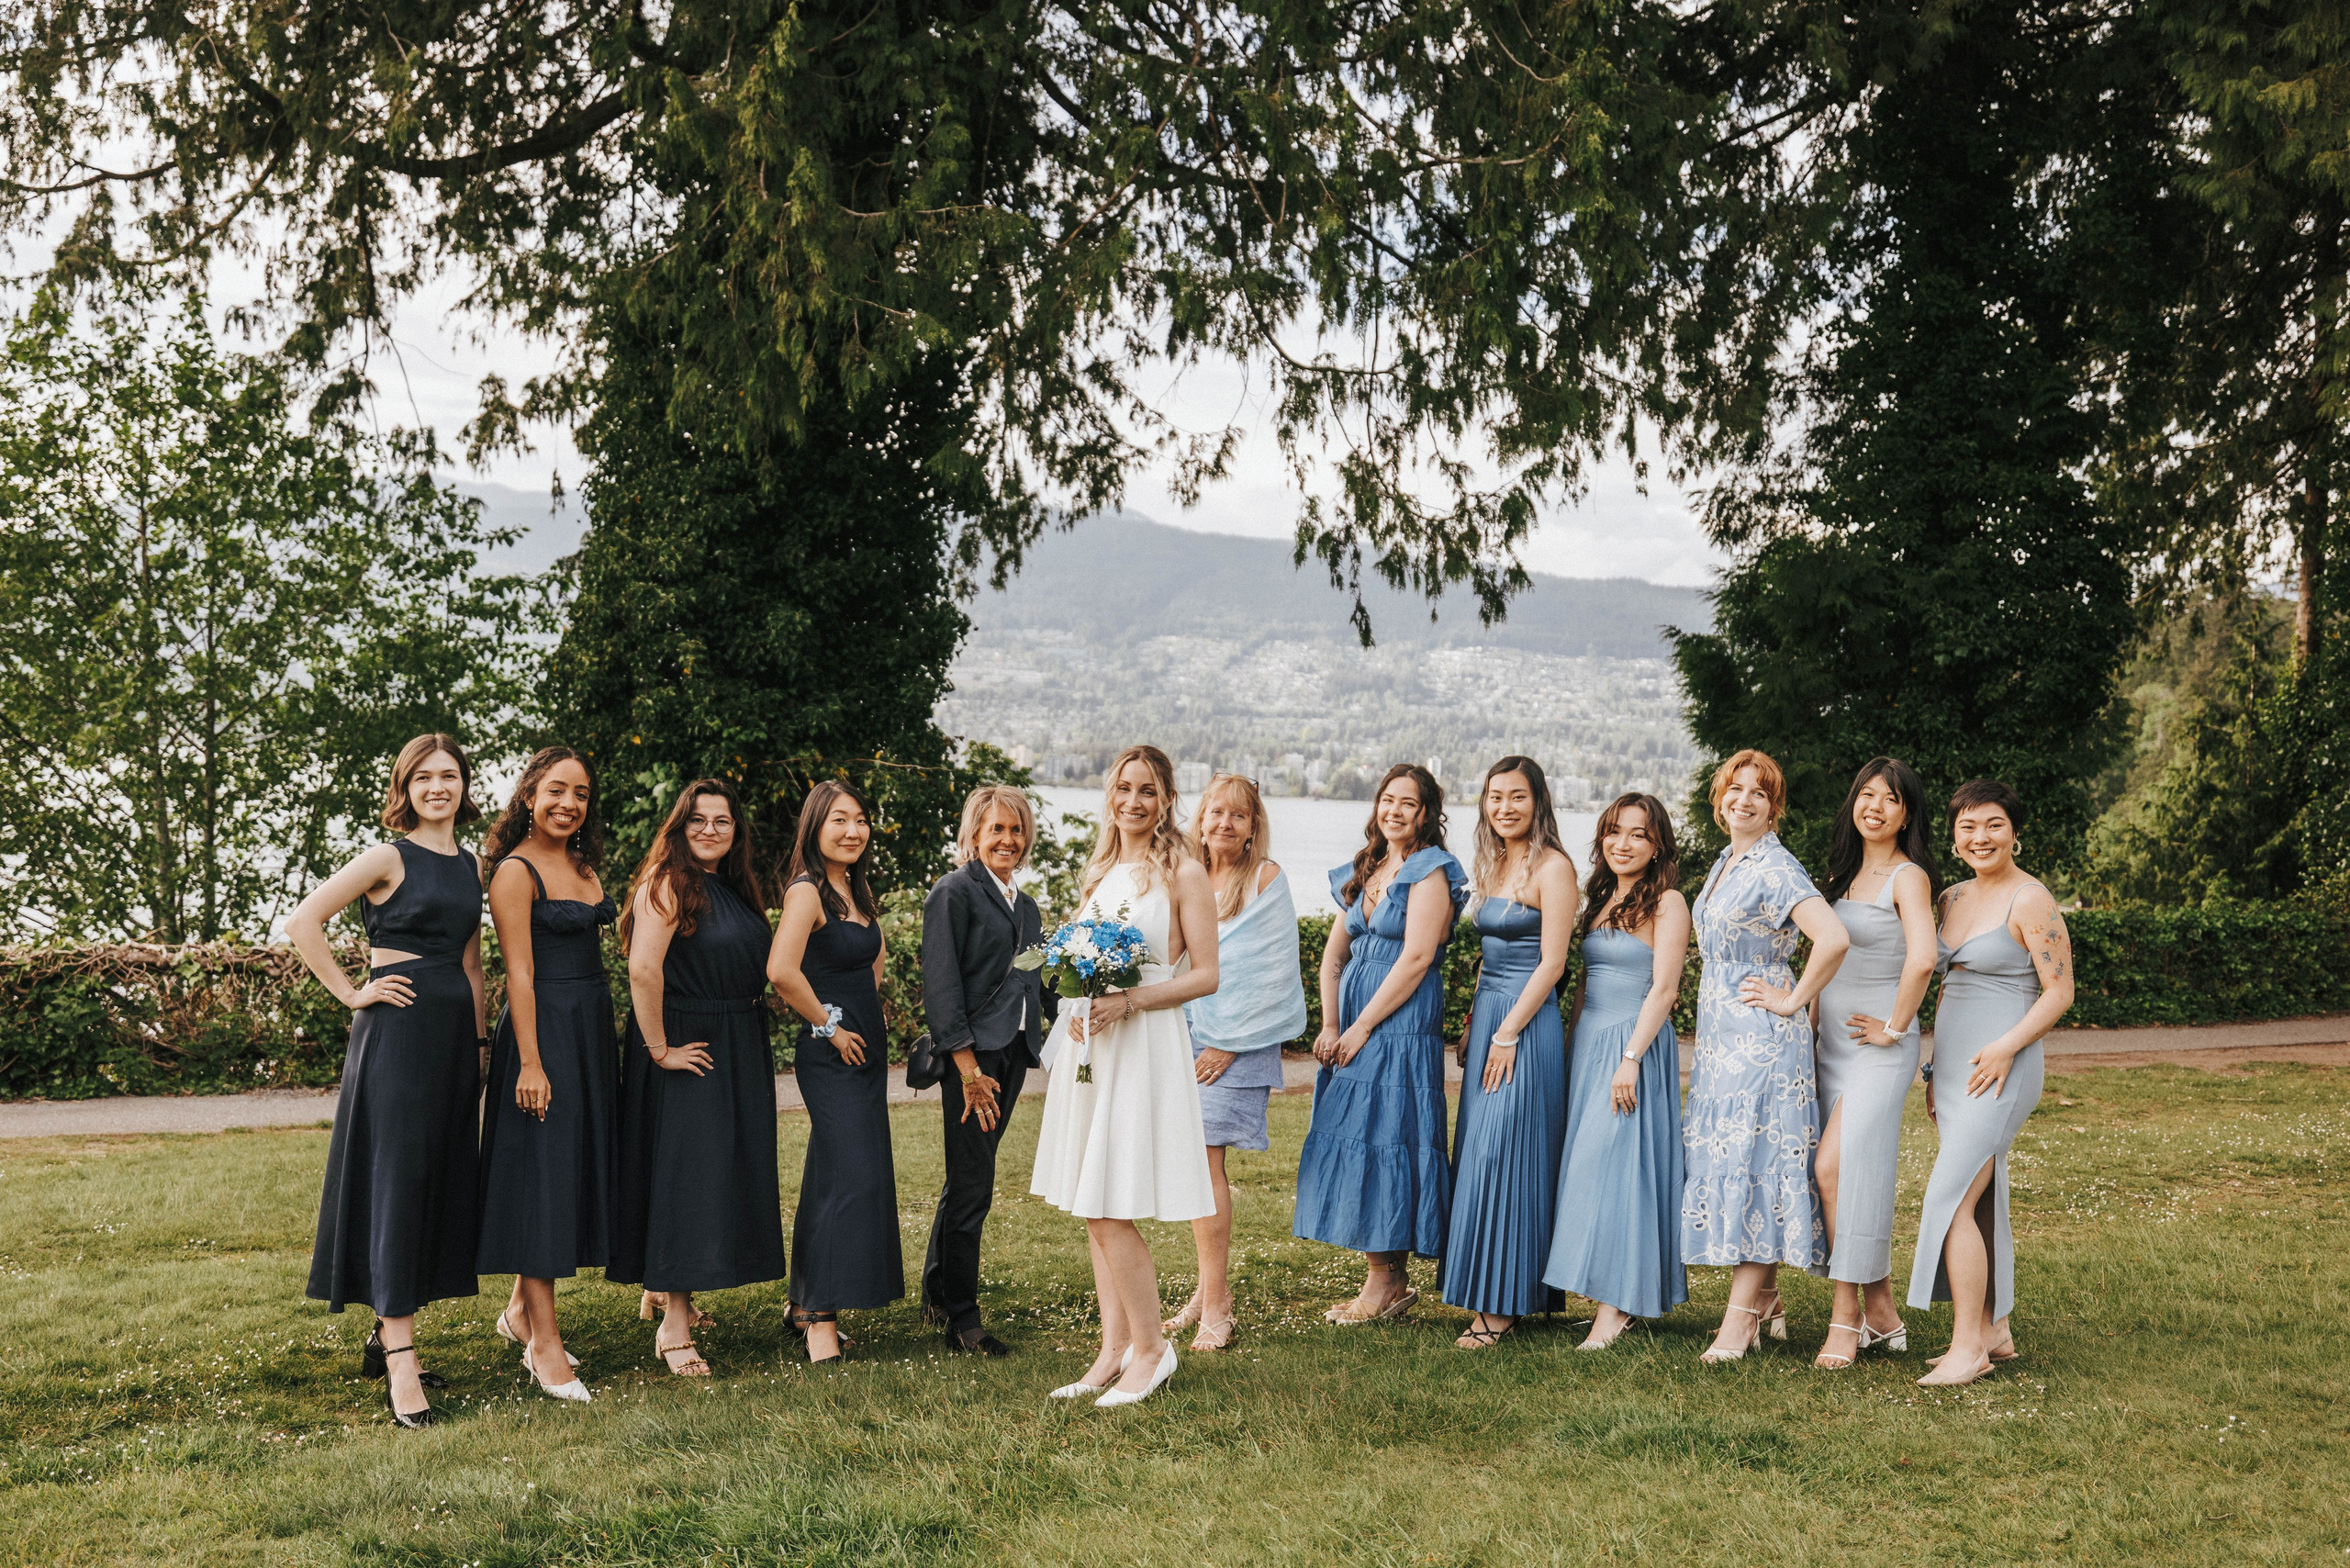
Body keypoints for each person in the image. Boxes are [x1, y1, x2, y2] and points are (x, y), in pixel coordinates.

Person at [295, 734, 488, 1428]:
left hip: (453, 1041)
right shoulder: (387, 856)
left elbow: (472, 965)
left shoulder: (472, 865)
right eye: (424, 777)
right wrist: (354, 993)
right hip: (397, 1035)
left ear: (465, 786)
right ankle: (401, 1360)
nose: (439, 787)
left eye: (450, 776)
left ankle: (387, 1333)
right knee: (399, 1182)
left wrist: (480, 1043)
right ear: (404, 787)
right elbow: (302, 921)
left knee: (435, 1178)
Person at [1031, 745, 1218, 1406]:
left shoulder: (1184, 872)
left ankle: (1151, 1349)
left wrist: (1128, 1000)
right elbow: (1084, 961)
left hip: (1143, 1042)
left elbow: (1204, 974)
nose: (1133, 802)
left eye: (1147, 790)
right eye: (1123, 789)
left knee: (1110, 1207)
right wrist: (1078, 1003)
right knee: (1092, 1204)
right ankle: (1112, 1351)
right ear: (1110, 795)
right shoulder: (1103, 870)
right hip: (1096, 1047)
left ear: (1166, 797)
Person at [610, 779, 787, 1378]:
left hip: (735, 1041)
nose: (710, 829)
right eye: (698, 820)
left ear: (736, 832)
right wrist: (660, 1049)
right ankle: (674, 1327)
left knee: (712, 1176)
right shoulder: (666, 882)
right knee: (688, 1180)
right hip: (688, 1041)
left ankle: (663, 1289)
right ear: (679, 827)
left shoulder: (731, 888)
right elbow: (642, 969)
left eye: (723, 821)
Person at [1683, 748, 1851, 1363]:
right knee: (1739, 1161)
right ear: (1720, 796)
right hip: (1723, 1040)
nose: (1744, 799)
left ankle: (1737, 1322)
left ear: (1774, 806)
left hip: (1760, 1042)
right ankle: (1768, 1299)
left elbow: (1833, 938)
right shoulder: (1730, 860)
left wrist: (1793, 1001)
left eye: (1759, 792)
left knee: (1756, 1168)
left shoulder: (1775, 867)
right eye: (1735, 788)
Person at [1909, 779, 2074, 1386]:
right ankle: (1994, 1330)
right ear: (1954, 837)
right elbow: (1948, 989)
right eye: (1969, 827)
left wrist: (2006, 1047)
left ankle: (1967, 1348)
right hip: (1955, 1071)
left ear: (2014, 831)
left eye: (1994, 825)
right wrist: (1933, 1069)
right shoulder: (1950, 898)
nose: (1981, 837)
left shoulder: (2030, 900)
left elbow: (2060, 992)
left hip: (2003, 1068)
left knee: (1949, 1198)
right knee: (1979, 1198)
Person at [1292, 763, 1470, 1325]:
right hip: (1352, 1025)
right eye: (1387, 800)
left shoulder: (1431, 872)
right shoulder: (1367, 866)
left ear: (1427, 813)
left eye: (1408, 803)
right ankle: (1385, 1278)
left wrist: (1362, 1025)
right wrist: (1328, 1022)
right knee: (1357, 1134)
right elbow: (1333, 954)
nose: (1394, 811)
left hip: (1398, 1024)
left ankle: (1386, 1283)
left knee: (1389, 1132)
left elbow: (1417, 957)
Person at [476, 746, 617, 1404]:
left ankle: (516, 1312)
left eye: (581, 794)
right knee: (542, 1182)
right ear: (529, 794)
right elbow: (519, 974)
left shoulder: (582, 864)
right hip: (543, 1033)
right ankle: (544, 1345)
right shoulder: (514, 870)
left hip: (589, 1028)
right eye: (556, 790)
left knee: (563, 1169)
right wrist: (530, 1062)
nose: (569, 804)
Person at [1164, 774, 1307, 1353]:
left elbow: (1269, 973)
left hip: (1237, 1046)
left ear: (1254, 827)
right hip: (1186, 1033)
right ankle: (1205, 1294)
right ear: (1200, 818)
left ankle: (1217, 1308)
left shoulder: (1266, 878)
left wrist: (1231, 1041)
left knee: (1206, 1167)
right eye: (1215, 813)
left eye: (1238, 816)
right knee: (1195, 1167)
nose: (1225, 823)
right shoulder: (1187, 874)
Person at [1545, 792, 1691, 1349]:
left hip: (1634, 1045)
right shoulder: (1600, 899)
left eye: (1637, 834)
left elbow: (1665, 988)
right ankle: (1605, 1290)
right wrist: (1567, 1049)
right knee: (1586, 1171)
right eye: (1613, 831)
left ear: (1657, 847)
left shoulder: (1668, 903)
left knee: (1621, 1171)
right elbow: (1582, 984)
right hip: (1588, 1046)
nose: (1622, 844)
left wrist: (1630, 1059)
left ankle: (1617, 1308)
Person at [1810, 756, 1942, 1370]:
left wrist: (1895, 1026)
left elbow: (1923, 958)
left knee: (1834, 1170)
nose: (1875, 807)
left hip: (1879, 1052)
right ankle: (1883, 1309)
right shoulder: (1841, 875)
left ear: (1907, 813)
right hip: (1832, 1050)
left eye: (1890, 799)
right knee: (1845, 1178)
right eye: (1865, 795)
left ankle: (1846, 1322)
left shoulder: (1907, 877)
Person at [1440, 757, 1577, 1350]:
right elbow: (1487, 953)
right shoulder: (1494, 863)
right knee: (1478, 1152)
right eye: (1494, 797)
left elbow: (1553, 964)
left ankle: (1501, 1306)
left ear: (1538, 801)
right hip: (1491, 1016)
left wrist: (1507, 1032)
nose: (1504, 808)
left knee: (1508, 1152)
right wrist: (1478, 1021)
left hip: (1527, 1024)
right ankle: (1490, 1289)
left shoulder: (1555, 868)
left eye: (1516, 797)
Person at [919, 785, 1058, 1355]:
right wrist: (968, 1069)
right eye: (996, 829)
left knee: (966, 1179)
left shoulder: (1027, 908)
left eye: (1016, 829)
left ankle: (936, 1293)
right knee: (974, 1187)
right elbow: (942, 984)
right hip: (971, 1062)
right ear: (973, 835)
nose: (1008, 839)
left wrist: (1082, 1011)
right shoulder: (953, 892)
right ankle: (964, 1320)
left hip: (1012, 1054)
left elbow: (1039, 984)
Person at [768, 780, 902, 1364]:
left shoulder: (855, 886)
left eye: (861, 820)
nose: (853, 831)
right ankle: (821, 1316)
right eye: (840, 821)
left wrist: (865, 1016)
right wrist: (830, 1025)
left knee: (831, 1175)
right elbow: (781, 970)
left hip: (863, 1050)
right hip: (832, 1053)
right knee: (852, 1176)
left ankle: (803, 1303)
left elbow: (868, 964)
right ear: (815, 828)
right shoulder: (807, 891)